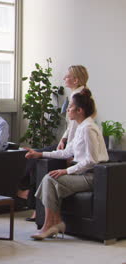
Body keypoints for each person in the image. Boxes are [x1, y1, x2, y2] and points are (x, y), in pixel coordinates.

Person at [25, 89, 108, 240]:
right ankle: (55, 222)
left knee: (50, 179)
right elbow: (66, 152)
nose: (68, 109)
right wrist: (40, 154)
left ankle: (51, 225)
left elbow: (92, 160)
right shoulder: (81, 127)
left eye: (70, 106)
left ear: (79, 110)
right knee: (49, 178)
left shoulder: (89, 128)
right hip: (81, 173)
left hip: (92, 176)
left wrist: (67, 171)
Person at [20, 65, 91, 222]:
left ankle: (27, 196)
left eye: (67, 76)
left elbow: (76, 127)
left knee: (33, 158)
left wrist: (70, 151)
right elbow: (70, 126)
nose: (64, 78)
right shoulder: (76, 94)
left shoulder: (79, 97)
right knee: (35, 156)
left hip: (73, 148)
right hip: (69, 144)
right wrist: (62, 140)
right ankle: (33, 204)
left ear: (76, 79)